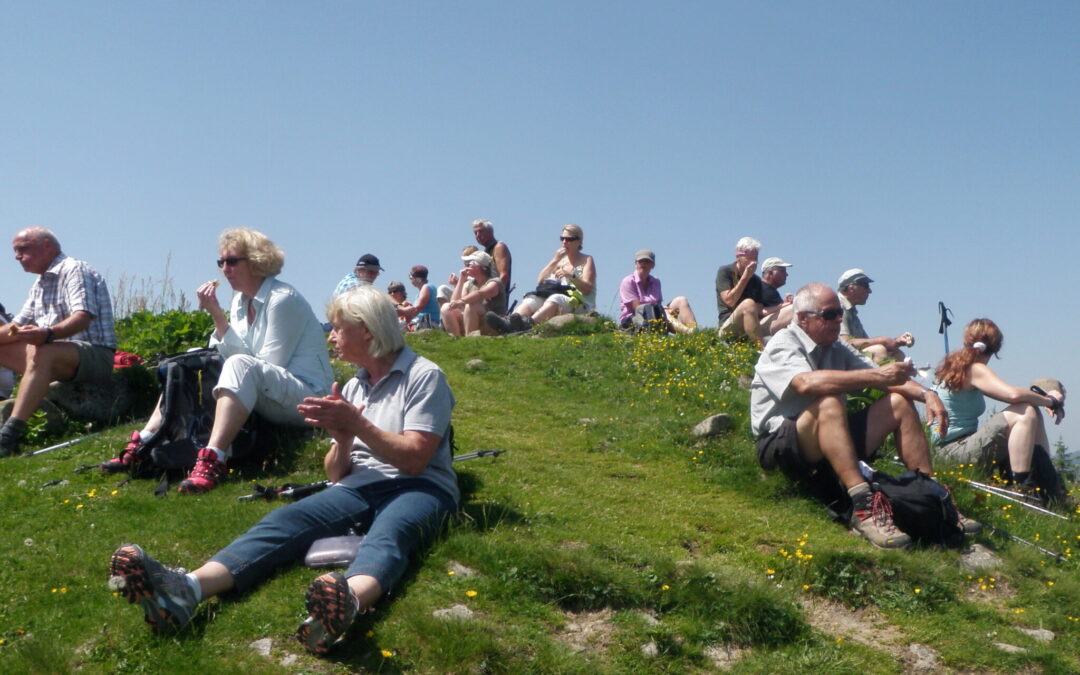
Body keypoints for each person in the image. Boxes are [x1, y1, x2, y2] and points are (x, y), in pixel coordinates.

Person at [108, 285, 458, 657]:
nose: (332, 335)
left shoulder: (424, 376)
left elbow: (416, 459)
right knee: (284, 522)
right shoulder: (355, 385)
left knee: (391, 534)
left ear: (367, 330)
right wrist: (342, 440)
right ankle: (188, 589)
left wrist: (357, 426)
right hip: (359, 484)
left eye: (338, 328)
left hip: (422, 487)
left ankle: (347, 602)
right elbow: (338, 474)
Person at [101, 228, 333, 494]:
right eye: (221, 262)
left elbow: (268, 363)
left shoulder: (282, 300)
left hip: (309, 399)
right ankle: (145, 440)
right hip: (268, 388)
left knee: (238, 365)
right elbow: (226, 353)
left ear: (256, 260)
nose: (225, 268)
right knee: (186, 360)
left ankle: (213, 458)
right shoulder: (239, 301)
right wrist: (216, 322)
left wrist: (218, 317)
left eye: (232, 261)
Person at [750, 282, 977, 549]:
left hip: (829, 435)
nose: (838, 320)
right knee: (829, 400)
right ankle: (864, 507)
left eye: (839, 313)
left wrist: (927, 395)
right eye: (829, 314)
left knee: (898, 403)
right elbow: (806, 384)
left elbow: (885, 379)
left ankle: (935, 496)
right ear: (802, 318)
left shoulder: (835, 347)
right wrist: (878, 375)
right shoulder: (783, 343)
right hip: (782, 443)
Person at [0, 227, 116, 456]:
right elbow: (17, 327)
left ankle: (9, 434)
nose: (17, 256)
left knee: (44, 351)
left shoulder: (74, 269)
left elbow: (82, 317)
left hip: (93, 354)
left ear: (48, 246)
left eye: (23, 249)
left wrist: (47, 334)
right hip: (57, 353)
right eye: (15, 251)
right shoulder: (40, 283)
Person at [930, 318, 1069, 505]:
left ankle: (1050, 485)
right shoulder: (975, 368)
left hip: (952, 449)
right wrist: (1050, 400)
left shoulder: (956, 365)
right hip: (953, 451)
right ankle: (1024, 490)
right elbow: (1012, 395)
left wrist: (1043, 400)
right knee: (1025, 412)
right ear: (995, 348)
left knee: (1031, 412)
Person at [486, 224, 596, 334]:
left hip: (581, 302)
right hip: (561, 297)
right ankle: (508, 322)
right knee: (532, 300)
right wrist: (555, 259)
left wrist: (571, 275)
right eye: (562, 239)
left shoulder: (586, 260)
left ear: (579, 241)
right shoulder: (561, 261)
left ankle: (528, 325)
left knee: (555, 298)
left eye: (569, 239)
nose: (564, 242)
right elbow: (540, 280)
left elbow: (587, 289)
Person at [837, 268, 913, 363]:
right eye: (866, 286)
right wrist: (882, 340)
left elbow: (865, 343)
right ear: (851, 288)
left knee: (897, 353)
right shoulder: (838, 307)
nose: (869, 291)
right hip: (836, 360)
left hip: (847, 357)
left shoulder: (851, 311)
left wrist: (896, 342)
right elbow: (845, 342)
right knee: (878, 350)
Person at [617, 250, 697, 333]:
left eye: (647, 261)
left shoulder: (655, 281)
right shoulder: (628, 281)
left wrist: (662, 310)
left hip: (656, 315)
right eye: (641, 261)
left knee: (681, 300)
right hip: (634, 319)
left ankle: (693, 329)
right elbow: (637, 308)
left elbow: (657, 303)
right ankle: (689, 333)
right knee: (662, 312)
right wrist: (662, 311)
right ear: (636, 264)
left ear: (653, 265)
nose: (643, 264)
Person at [442, 251, 507, 337]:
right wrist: (461, 280)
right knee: (446, 307)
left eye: (471, 263)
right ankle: (456, 340)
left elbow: (480, 294)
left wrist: (462, 301)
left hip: (491, 323)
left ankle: (471, 339)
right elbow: (454, 303)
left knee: (472, 306)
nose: (467, 266)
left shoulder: (495, 282)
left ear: (481, 267)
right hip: (470, 319)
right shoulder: (469, 284)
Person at [715, 236, 765, 346]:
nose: (753, 263)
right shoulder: (725, 271)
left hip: (752, 320)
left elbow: (760, 308)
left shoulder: (756, 280)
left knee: (789, 311)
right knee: (748, 304)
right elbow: (729, 301)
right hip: (728, 324)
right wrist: (745, 278)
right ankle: (762, 351)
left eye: (755, 259)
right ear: (738, 257)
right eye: (749, 258)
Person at [758, 257, 794, 338]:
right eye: (782, 271)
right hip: (759, 327)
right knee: (794, 309)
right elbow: (760, 311)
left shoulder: (769, 289)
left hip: (766, 324)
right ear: (770, 273)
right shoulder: (760, 288)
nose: (786, 274)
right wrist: (786, 305)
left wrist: (785, 303)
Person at [472, 219, 512, 291]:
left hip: (493, 298)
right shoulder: (486, 252)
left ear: (490, 232)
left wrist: (493, 295)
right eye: (475, 233)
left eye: (481, 231)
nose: (478, 235)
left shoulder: (499, 247)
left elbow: (504, 276)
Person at [400, 265, 441, 330]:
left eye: (410, 277)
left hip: (427, 323)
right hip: (424, 322)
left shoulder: (426, 287)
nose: (410, 279)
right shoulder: (423, 291)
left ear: (418, 279)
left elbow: (418, 308)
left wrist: (404, 313)